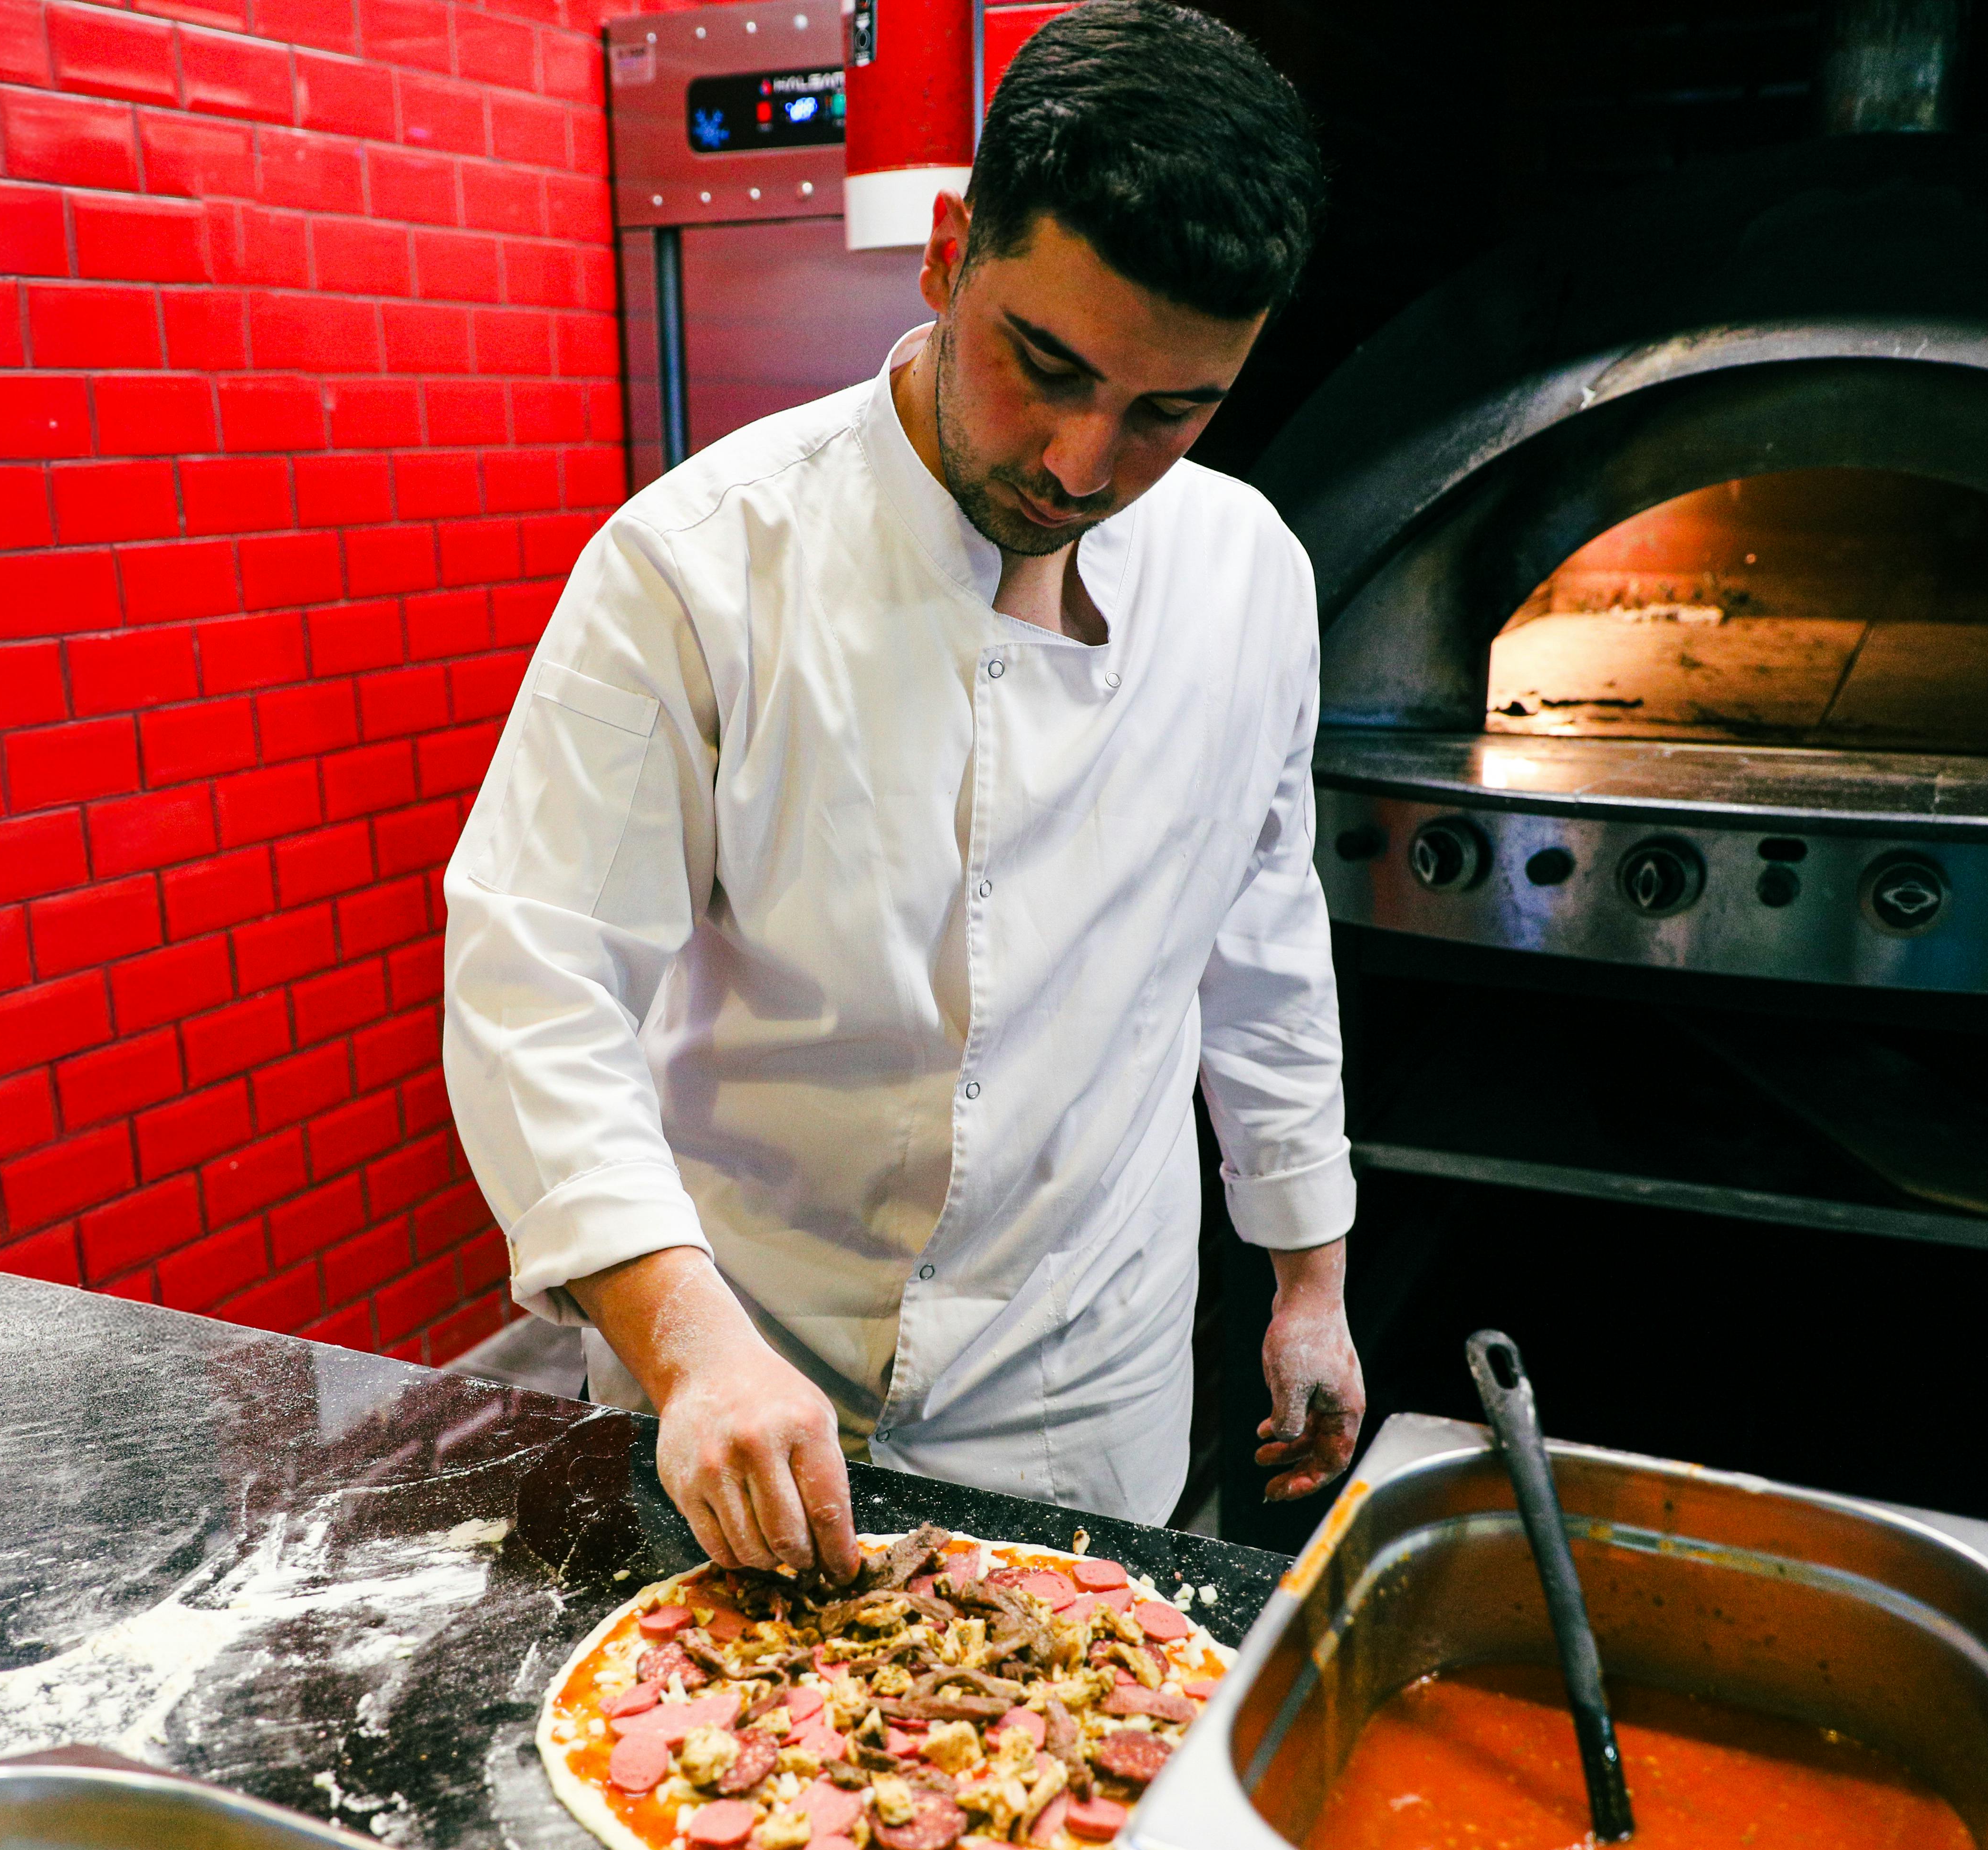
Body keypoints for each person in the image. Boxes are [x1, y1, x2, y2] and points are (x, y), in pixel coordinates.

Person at [442, 0, 1358, 1579]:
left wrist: (1312, 1280)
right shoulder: (700, 565)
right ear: (947, 254)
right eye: (1044, 364)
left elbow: (1263, 937)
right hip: (741, 1365)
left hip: (1089, 1382)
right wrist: (685, 1345)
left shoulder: (1249, 575)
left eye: (1168, 411)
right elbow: (539, 978)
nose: (1081, 464)